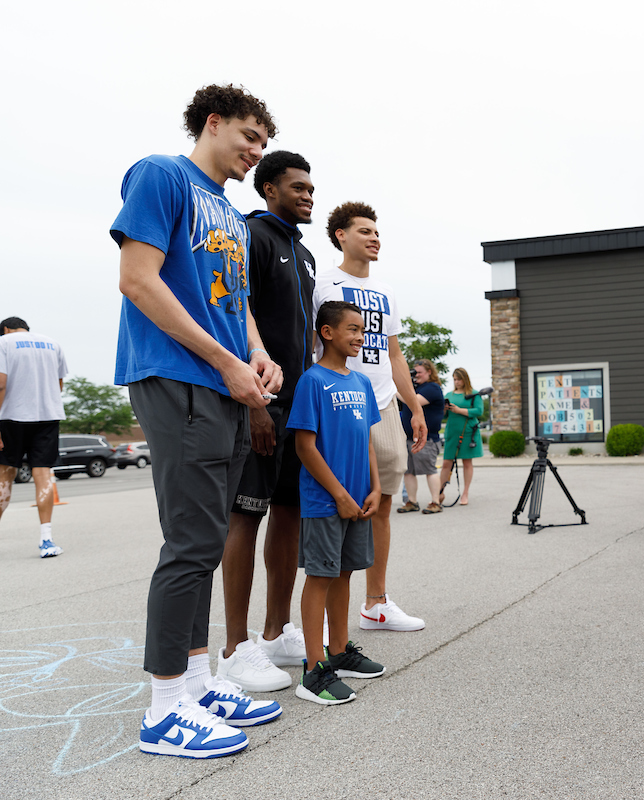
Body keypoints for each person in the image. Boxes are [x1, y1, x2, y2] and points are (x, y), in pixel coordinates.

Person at [112, 84, 284, 759]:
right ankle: (163, 710)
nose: (254, 152)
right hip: (178, 377)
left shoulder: (234, 217)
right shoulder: (162, 175)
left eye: (263, 145)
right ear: (213, 124)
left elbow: (233, 301)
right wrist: (223, 361)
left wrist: (259, 354)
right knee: (188, 544)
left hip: (226, 385)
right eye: (248, 137)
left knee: (208, 540)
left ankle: (200, 681)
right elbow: (138, 279)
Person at [217, 150, 317, 693]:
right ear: (268, 189)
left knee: (291, 515)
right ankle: (235, 648)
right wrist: (256, 404)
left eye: (311, 189)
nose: (307, 195)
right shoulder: (249, 235)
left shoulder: (303, 254)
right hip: (262, 402)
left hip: (300, 408)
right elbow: (235, 315)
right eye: (297, 187)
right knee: (245, 518)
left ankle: (276, 632)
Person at [313, 202, 426, 633]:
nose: (375, 238)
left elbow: (395, 354)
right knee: (336, 503)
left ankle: (375, 603)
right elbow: (311, 344)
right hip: (339, 402)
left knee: (382, 503)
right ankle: (325, 611)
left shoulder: (386, 291)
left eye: (377, 232)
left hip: (383, 404)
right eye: (365, 231)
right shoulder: (323, 282)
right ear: (340, 235)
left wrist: (413, 406)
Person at [290, 300, 388, 705]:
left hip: (360, 500)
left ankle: (340, 649)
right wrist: (339, 495)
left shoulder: (362, 383)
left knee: (345, 573)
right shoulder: (312, 381)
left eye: (363, 331)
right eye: (352, 329)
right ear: (327, 332)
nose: (359, 337)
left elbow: (365, 439)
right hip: (325, 501)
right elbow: (304, 446)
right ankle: (314, 671)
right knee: (321, 577)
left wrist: (376, 487)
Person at [0, 317, 68, 557]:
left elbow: (1, 384)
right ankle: (47, 540)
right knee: (43, 476)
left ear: (6, 329)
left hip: (11, 417)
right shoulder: (52, 344)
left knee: (5, 476)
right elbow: (59, 385)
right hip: (47, 416)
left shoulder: (4, 342)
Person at [399, 359, 445, 514]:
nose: (416, 375)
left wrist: (393, 388)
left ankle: (435, 502)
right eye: (414, 372)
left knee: (430, 470)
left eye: (419, 372)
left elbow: (413, 401)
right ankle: (411, 501)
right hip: (409, 437)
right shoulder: (415, 388)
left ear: (429, 372)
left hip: (427, 438)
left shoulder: (432, 388)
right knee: (408, 471)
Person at [440, 367, 484, 506]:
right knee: (446, 463)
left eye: (459, 379)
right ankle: (439, 493)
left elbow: (479, 411)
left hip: (468, 432)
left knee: (467, 462)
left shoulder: (474, 394)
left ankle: (465, 492)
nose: (456, 382)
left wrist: (459, 410)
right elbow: (444, 416)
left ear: (465, 379)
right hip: (452, 432)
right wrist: (444, 409)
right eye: (454, 379)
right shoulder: (449, 394)